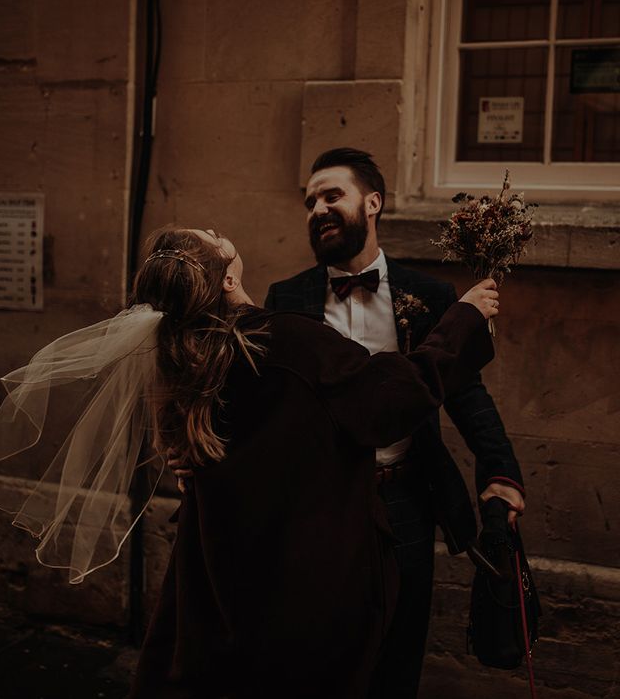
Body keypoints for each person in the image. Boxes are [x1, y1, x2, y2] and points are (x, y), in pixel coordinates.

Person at [127, 227, 498, 698]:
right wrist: (463, 319)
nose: (222, 230)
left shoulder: (185, 355)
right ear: (224, 279)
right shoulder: (288, 340)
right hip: (297, 561)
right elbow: (388, 398)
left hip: (222, 557)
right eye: (215, 236)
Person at [263, 148, 526, 698]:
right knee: (323, 655)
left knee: (399, 656)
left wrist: (500, 474)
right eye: (310, 201)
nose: (317, 208)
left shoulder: (428, 296)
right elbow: (267, 406)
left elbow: (465, 392)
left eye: (332, 194)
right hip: (321, 503)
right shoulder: (286, 300)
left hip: (405, 497)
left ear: (373, 202)